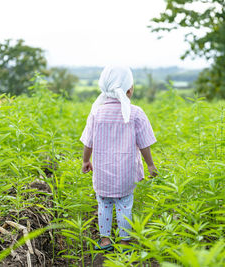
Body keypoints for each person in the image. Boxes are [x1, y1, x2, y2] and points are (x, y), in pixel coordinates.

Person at [80, 65, 157, 251]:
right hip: (125, 172)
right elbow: (144, 143)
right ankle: (124, 242)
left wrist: (85, 160)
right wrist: (150, 165)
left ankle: (105, 241)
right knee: (124, 206)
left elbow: (88, 142)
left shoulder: (96, 113)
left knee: (104, 205)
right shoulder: (135, 113)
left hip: (103, 172)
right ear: (129, 89)